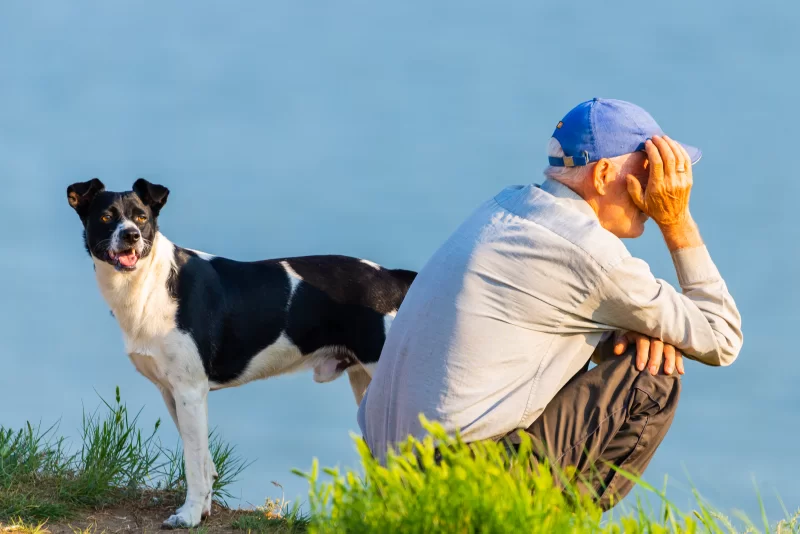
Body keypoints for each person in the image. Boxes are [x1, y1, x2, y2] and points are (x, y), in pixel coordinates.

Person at [357, 98, 743, 510]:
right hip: (454, 486)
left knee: (639, 353)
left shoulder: (505, 207)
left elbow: (541, 311)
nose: (659, 191)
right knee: (651, 381)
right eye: (650, 171)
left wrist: (626, 331)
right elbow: (722, 337)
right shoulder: (592, 253)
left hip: (389, 479)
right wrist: (676, 221)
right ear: (604, 174)